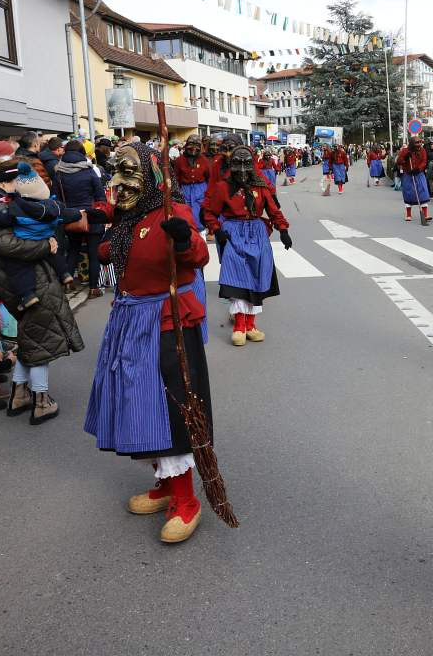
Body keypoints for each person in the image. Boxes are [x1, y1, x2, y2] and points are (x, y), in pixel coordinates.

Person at [82, 142, 212, 544]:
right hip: (129, 320)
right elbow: (108, 254)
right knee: (138, 406)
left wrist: (183, 241)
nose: (119, 183)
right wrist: (102, 222)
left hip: (165, 322)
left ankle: (187, 499)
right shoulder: (128, 215)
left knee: (172, 410)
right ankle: (165, 484)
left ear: (153, 177)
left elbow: (200, 256)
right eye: (114, 173)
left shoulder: (174, 212)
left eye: (128, 173)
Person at [0, 160, 85, 424]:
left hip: (29, 283)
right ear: (8, 182)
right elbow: (9, 247)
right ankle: (41, 401)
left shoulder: (1, 207)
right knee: (41, 344)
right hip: (29, 285)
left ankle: (19, 394)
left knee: (31, 339)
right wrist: (47, 246)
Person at [203, 145, 292, 347]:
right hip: (233, 233)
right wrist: (217, 230)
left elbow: (273, 210)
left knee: (257, 277)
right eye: (238, 164)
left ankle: (251, 326)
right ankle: (239, 327)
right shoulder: (223, 187)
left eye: (246, 164)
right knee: (237, 279)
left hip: (258, 233)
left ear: (252, 165)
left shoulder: (261, 186)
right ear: (232, 165)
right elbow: (210, 212)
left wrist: (283, 230)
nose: (242, 169)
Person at [0, 162, 81, 311]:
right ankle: (63, 274)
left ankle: (56, 278)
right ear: (4, 184)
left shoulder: (13, 205)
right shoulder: (0, 207)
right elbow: (9, 246)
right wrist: (47, 245)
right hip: (37, 284)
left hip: (44, 283)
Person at [53, 141, 107, 298]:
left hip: (70, 216)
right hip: (92, 216)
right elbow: (100, 196)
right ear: (82, 153)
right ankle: (93, 288)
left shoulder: (59, 173)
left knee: (73, 250)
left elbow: (56, 198)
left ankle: (68, 284)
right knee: (93, 252)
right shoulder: (89, 172)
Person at [171, 135, 211, 231]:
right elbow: (176, 178)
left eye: (197, 145)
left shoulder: (204, 160)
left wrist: (209, 193)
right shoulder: (179, 160)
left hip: (200, 189)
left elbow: (209, 177)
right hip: (185, 189)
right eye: (191, 144)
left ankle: (201, 236)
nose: (193, 148)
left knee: (200, 215)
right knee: (186, 213)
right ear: (186, 145)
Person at [396, 136, 431, 223]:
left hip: (419, 174)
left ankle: (425, 214)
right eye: (417, 142)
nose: (419, 144)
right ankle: (408, 214)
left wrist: (418, 169)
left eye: (420, 142)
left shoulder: (422, 150)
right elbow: (399, 161)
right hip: (408, 175)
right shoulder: (405, 151)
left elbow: (424, 161)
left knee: (423, 192)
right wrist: (405, 158)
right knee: (409, 193)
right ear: (412, 143)